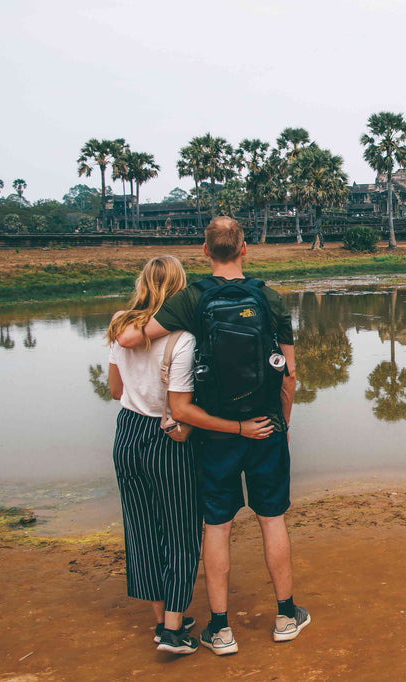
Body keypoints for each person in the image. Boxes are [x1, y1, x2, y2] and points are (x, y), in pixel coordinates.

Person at [117, 217, 308, 655]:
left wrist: (122, 324)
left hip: (213, 430)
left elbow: (132, 338)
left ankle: (220, 629)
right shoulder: (270, 298)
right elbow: (290, 374)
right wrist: (282, 426)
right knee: (271, 519)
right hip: (265, 427)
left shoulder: (192, 298)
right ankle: (285, 615)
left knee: (216, 526)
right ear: (245, 249)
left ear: (204, 252)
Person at [105, 256, 202, 655]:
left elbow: (114, 389)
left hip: (127, 433)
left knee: (141, 528)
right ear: (179, 288)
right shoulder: (183, 338)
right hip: (167, 435)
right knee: (180, 531)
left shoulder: (121, 326)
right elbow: (180, 407)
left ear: (142, 283)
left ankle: (160, 619)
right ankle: (174, 631)